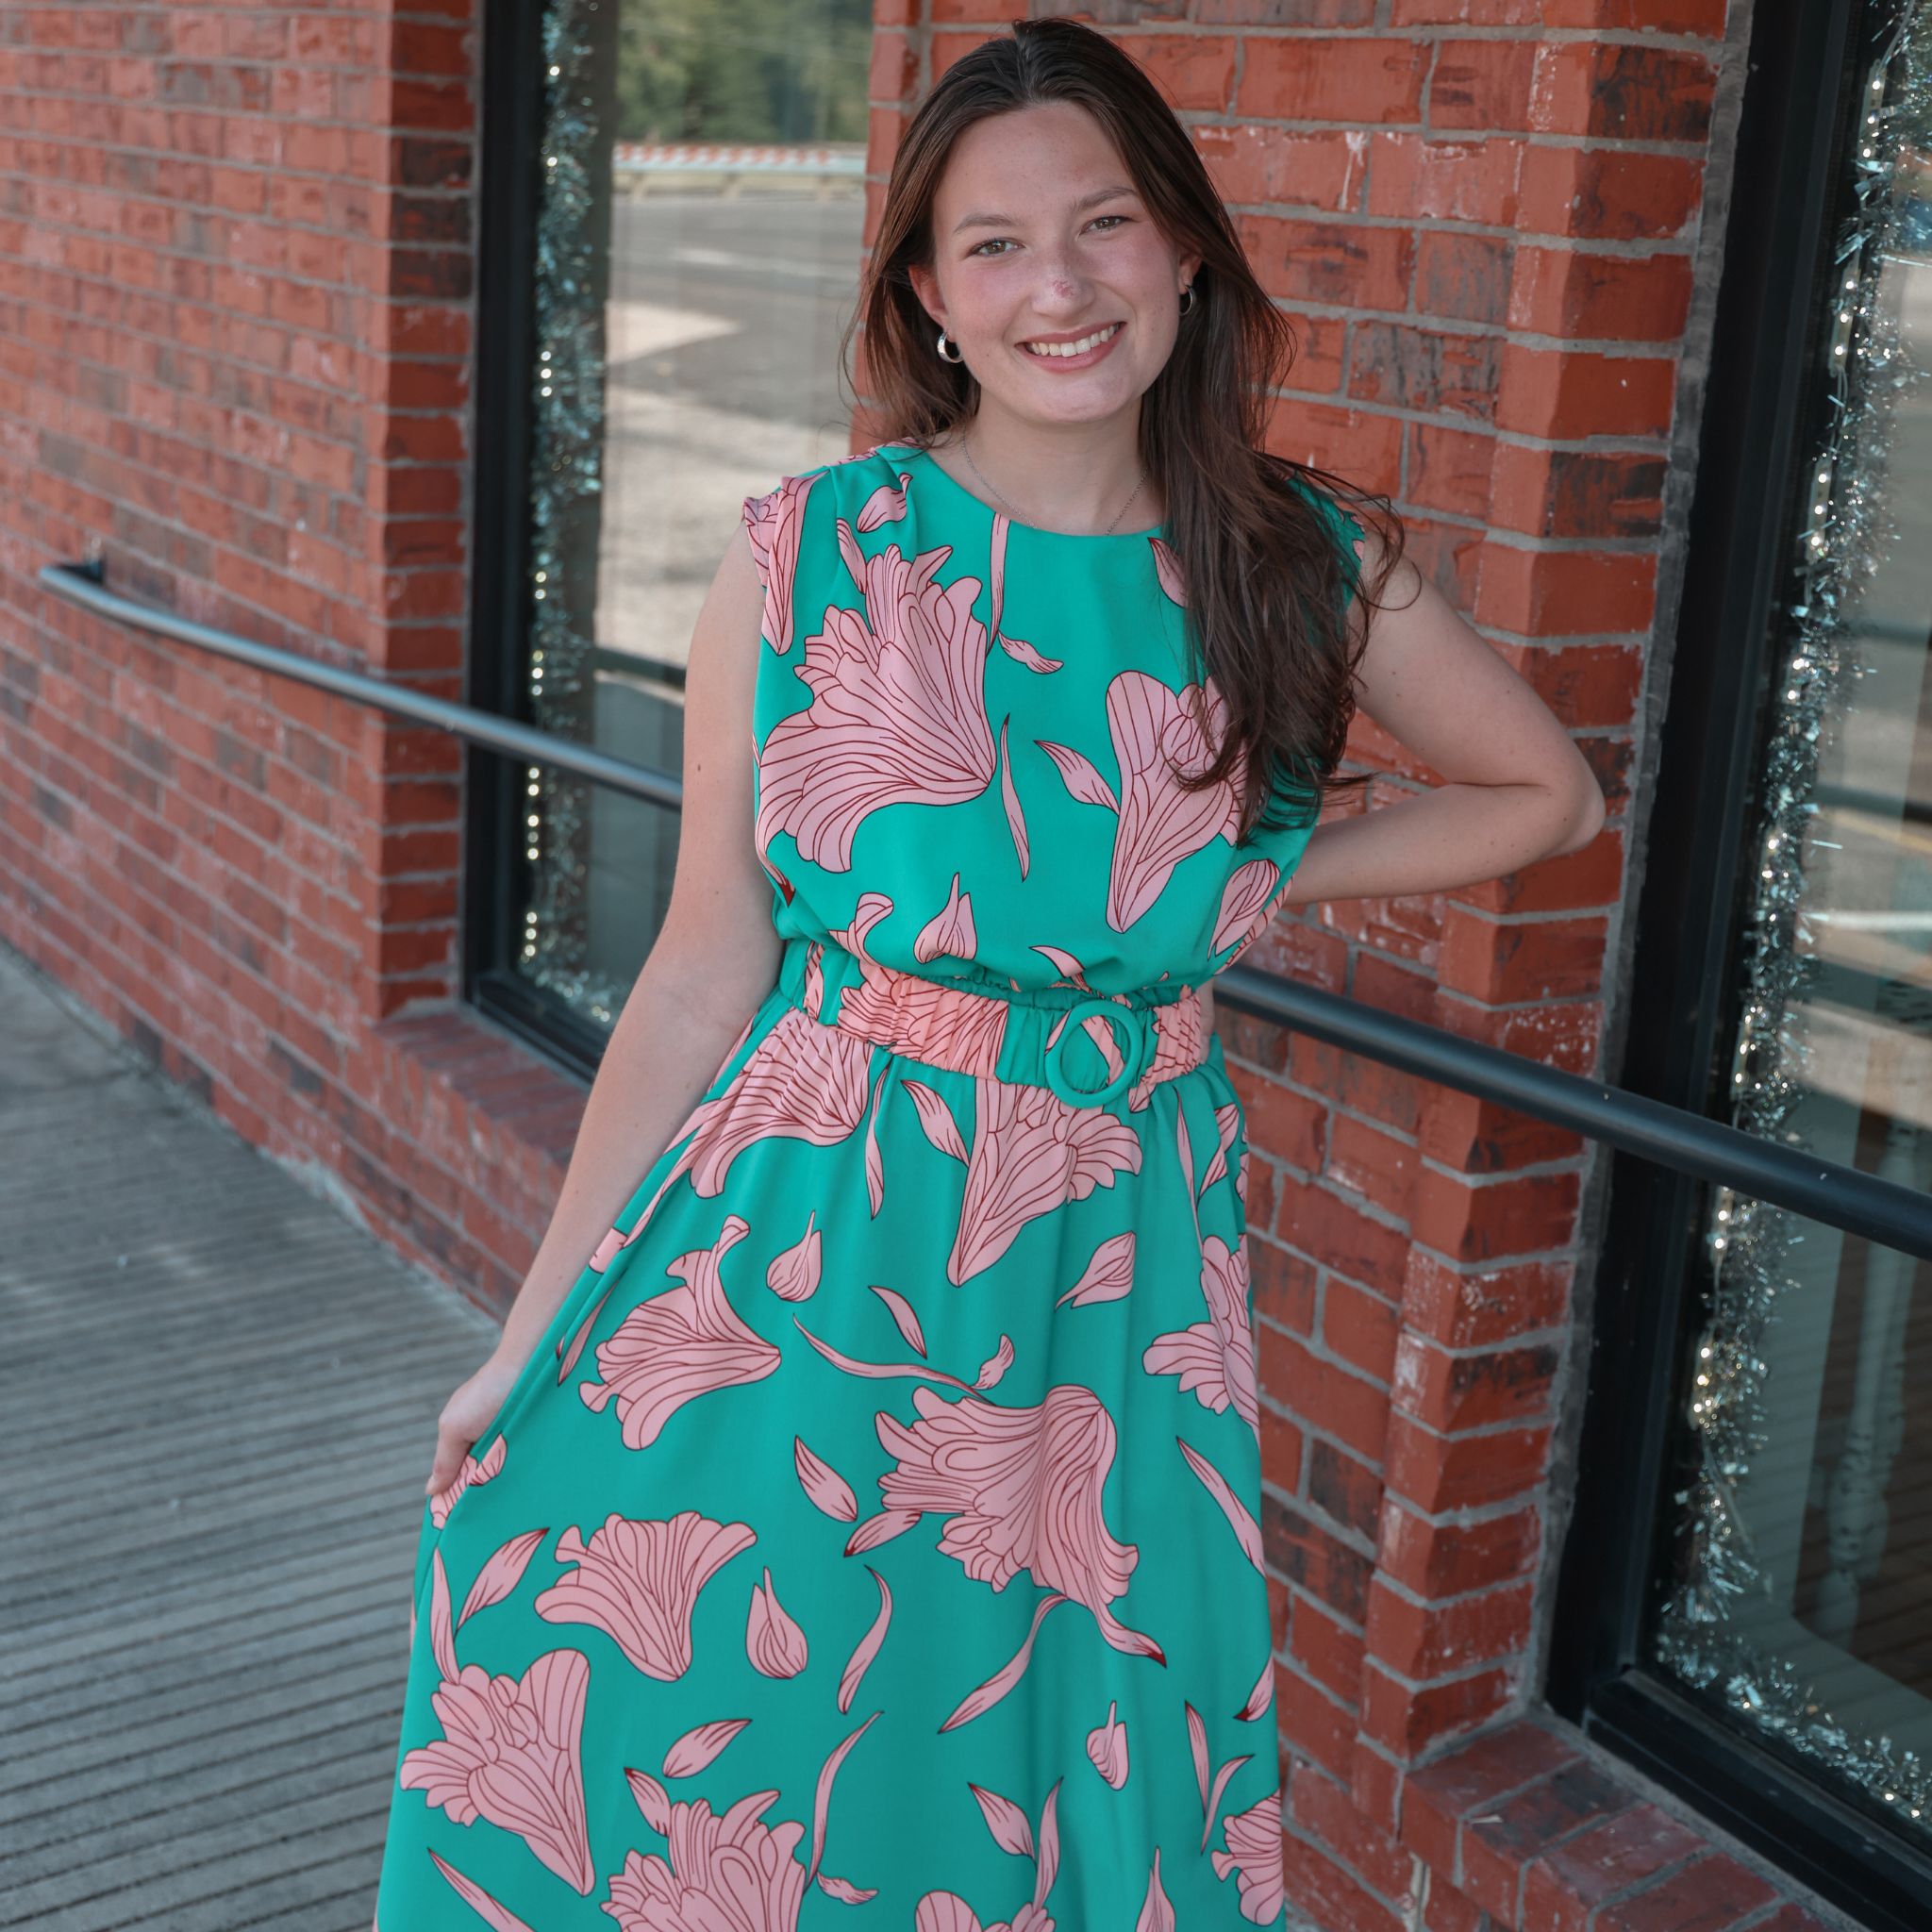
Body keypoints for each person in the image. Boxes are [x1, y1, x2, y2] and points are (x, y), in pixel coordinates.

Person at [372, 18, 1605, 1929]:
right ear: (932, 297)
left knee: (1054, 1768)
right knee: (741, 1741)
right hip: (801, 1247)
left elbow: (1546, 793)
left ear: (1184, 252)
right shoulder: (810, 554)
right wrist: (534, 1329)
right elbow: (706, 970)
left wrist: (1249, 881)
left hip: (1108, 1279)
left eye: (1106, 224)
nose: (1061, 285)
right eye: (996, 244)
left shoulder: (1300, 562)